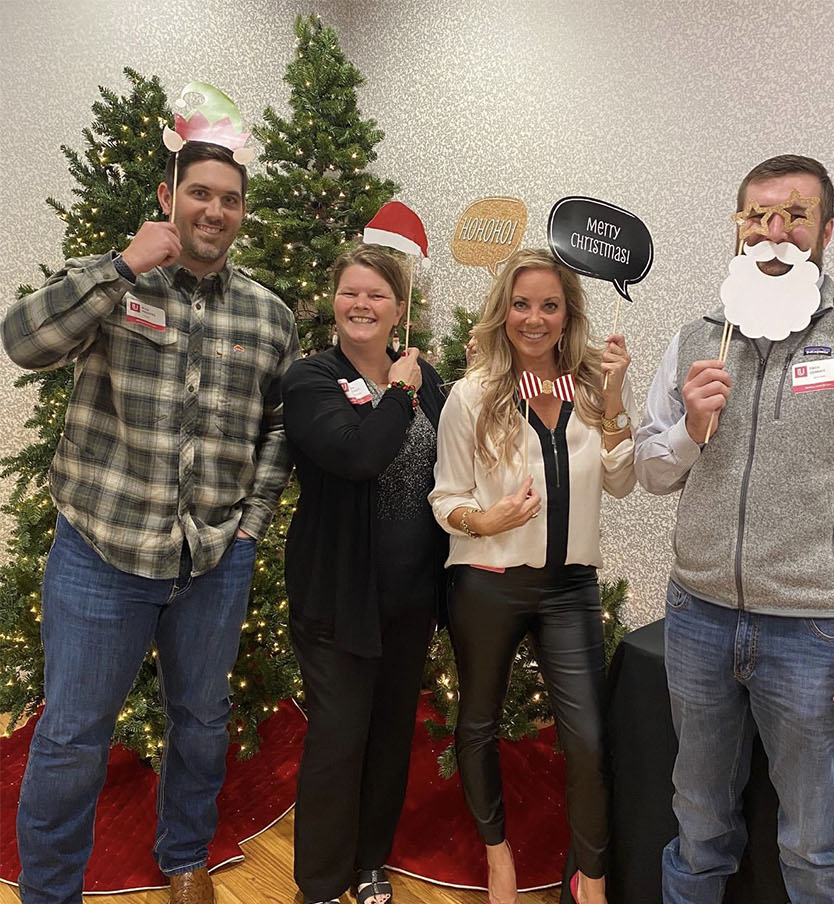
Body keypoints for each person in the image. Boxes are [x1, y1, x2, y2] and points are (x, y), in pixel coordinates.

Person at [1, 139, 294, 904]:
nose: (215, 210)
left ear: (240, 212)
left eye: (229, 199)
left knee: (201, 721)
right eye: (200, 193)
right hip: (102, 553)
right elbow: (22, 341)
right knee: (70, 741)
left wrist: (251, 525)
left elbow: (277, 429)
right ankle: (50, 892)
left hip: (212, 563)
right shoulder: (114, 279)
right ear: (169, 197)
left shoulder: (269, 315)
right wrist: (123, 265)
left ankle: (186, 856)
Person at [637, 154, 834, 903]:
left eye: (793, 216)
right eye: (757, 217)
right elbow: (650, 470)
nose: (774, 233)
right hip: (698, 617)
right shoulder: (695, 337)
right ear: (737, 230)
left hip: (819, 632)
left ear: (825, 231)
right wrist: (691, 427)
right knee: (696, 823)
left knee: (817, 845)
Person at [429, 248, 635, 904]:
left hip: (569, 588)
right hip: (486, 583)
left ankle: (591, 882)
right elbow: (443, 500)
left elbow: (623, 480)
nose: (534, 318)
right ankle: (499, 859)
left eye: (549, 305)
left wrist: (616, 401)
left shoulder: (585, 390)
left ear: (567, 314)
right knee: (478, 724)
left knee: (589, 741)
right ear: (503, 311)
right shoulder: (473, 395)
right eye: (522, 304)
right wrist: (487, 521)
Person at [282, 243, 448, 904]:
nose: (362, 305)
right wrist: (400, 393)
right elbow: (358, 456)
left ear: (398, 308)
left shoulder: (425, 378)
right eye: (351, 292)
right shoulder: (311, 380)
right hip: (338, 597)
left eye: (377, 294)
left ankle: (371, 860)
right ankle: (321, 884)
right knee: (338, 740)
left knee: (389, 737)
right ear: (334, 301)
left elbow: (452, 466)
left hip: (410, 596)